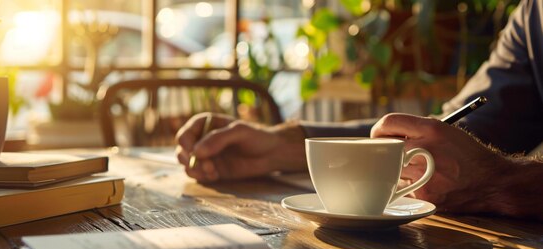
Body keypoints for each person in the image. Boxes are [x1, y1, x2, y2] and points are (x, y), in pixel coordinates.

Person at [176, 0, 543, 219]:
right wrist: (280, 145)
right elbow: (465, 130)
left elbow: (481, 168)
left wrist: (499, 183)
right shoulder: (534, 14)